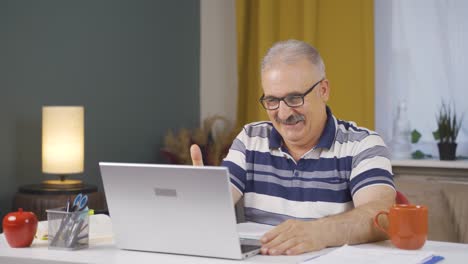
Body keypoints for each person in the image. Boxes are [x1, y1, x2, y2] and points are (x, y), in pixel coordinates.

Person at [190, 39, 395, 256]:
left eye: (294, 98)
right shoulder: (251, 139)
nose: (284, 113)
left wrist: (319, 232)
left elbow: (382, 216)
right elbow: (215, 208)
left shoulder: (363, 145)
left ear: (323, 90)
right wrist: (202, 197)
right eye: (272, 101)